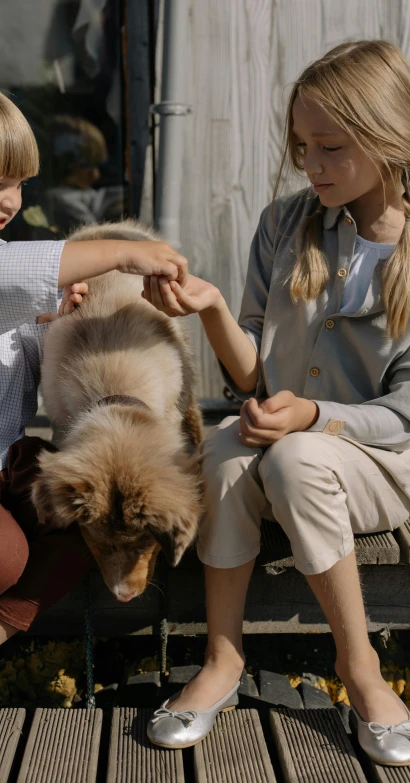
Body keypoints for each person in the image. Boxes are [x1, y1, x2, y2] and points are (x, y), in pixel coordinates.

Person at [0, 76, 187, 757]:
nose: (12, 201)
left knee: (71, 516)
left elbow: (3, 324)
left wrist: (47, 316)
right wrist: (119, 250)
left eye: (19, 184)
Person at [144, 40, 410, 766]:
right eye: (301, 147)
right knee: (225, 451)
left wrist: (314, 417)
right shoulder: (287, 224)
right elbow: (254, 379)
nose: (311, 165)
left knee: (293, 458)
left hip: (383, 460)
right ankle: (221, 660)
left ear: (388, 139)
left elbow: (406, 411)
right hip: (283, 446)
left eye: (329, 147)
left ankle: (363, 673)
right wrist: (209, 310)